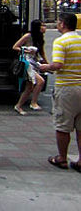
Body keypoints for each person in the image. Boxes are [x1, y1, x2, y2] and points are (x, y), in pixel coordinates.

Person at [38, 13, 81, 172]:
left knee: (63, 126)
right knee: (80, 128)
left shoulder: (61, 42)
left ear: (63, 24)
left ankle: (62, 158)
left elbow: (57, 64)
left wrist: (44, 67)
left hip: (66, 88)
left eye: (58, 22)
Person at [12, 19, 48, 114]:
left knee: (29, 87)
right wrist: (26, 50)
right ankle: (33, 103)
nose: (44, 28)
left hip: (34, 63)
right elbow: (15, 46)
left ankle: (19, 106)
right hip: (27, 63)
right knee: (40, 81)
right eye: (42, 26)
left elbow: (42, 53)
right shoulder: (28, 36)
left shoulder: (40, 38)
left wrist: (47, 64)